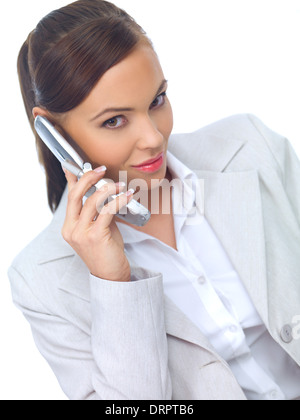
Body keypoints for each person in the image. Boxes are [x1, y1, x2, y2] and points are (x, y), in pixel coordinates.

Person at [8, 0, 300, 400]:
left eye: (156, 101)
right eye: (114, 120)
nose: (153, 137)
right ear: (54, 133)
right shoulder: (41, 279)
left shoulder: (252, 146)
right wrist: (114, 284)